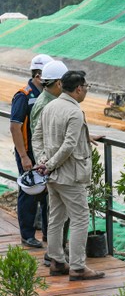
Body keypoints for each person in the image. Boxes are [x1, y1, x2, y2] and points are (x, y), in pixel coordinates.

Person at [32, 70, 105, 281]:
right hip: (70, 175)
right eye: (86, 87)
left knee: (56, 217)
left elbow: (37, 137)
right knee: (81, 218)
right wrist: (51, 164)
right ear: (79, 88)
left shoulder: (50, 106)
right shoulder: (74, 112)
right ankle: (78, 267)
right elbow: (70, 145)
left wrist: (42, 161)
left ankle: (56, 261)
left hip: (53, 175)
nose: (86, 91)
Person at [30, 60, 70, 266]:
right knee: (58, 213)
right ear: (58, 83)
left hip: (54, 165)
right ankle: (54, 254)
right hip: (54, 167)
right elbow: (37, 138)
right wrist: (45, 164)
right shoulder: (45, 104)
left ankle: (57, 253)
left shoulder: (49, 100)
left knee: (59, 213)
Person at [10, 54, 52, 248]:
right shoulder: (24, 95)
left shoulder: (47, 95)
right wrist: (24, 156)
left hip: (43, 153)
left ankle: (47, 234)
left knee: (47, 194)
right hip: (28, 153)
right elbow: (15, 127)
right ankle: (27, 235)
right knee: (28, 194)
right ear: (38, 75)